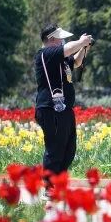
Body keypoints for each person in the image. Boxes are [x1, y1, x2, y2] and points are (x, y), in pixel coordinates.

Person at [34, 24, 93, 193]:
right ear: (52, 39)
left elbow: (76, 62)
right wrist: (81, 41)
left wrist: (84, 47)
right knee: (55, 148)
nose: (63, 41)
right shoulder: (46, 54)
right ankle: (49, 187)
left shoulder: (59, 57)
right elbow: (67, 49)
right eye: (60, 38)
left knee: (68, 147)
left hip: (64, 109)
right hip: (51, 108)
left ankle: (58, 183)